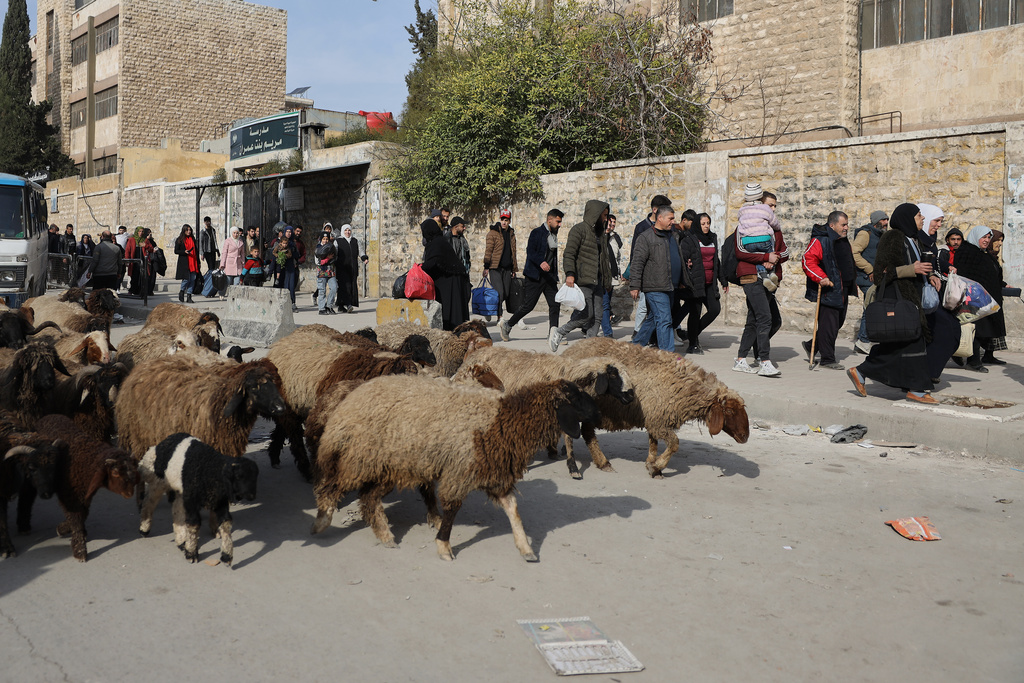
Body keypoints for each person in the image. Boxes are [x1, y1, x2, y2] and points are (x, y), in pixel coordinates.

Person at [848, 203, 940, 403]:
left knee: (902, 346)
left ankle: (862, 371)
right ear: (907, 218)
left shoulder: (914, 239)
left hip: (912, 299)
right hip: (899, 299)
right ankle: (915, 390)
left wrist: (930, 274)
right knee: (913, 342)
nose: (922, 219)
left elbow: (919, 265)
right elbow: (881, 273)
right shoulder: (893, 237)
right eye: (918, 216)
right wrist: (911, 269)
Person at [733, 190, 788, 377]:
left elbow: (785, 252)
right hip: (750, 277)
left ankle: (740, 359)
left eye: (774, 206)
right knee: (765, 317)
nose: (772, 209)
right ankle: (764, 361)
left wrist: (773, 259)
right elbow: (740, 252)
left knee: (754, 320)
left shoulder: (774, 229)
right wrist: (764, 257)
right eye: (769, 205)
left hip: (770, 279)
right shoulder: (744, 227)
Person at [548, 200, 612, 351]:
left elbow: (604, 259)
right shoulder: (579, 230)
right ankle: (560, 332)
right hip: (583, 280)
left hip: (598, 281)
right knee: (586, 314)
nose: (605, 219)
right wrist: (570, 274)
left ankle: (588, 349)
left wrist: (607, 281)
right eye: (603, 215)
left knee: (598, 316)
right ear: (595, 214)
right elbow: (569, 254)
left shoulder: (601, 233)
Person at [801, 211, 857, 370]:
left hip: (843, 288)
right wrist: (821, 278)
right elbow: (808, 260)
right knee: (829, 325)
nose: (846, 228)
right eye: (843, 225)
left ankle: (811, 344)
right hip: (828, 288)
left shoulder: (843, 240)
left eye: (847, 224)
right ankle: (827, 358)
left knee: (836, 323)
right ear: (832, 225)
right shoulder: (821, 240)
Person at [501, 209, 563, 342]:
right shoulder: (537, 233)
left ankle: (553, 334)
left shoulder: (553, 235)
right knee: (528, 305)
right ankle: (508, 325)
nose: (559, 224)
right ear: (549, 220)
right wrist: (541, 262)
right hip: (535, 276)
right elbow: (531, 251)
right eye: (558, 221)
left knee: (555, 304)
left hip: (549, 277)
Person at [629, 205, 682, 351]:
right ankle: (667, 357)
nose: (673, 221)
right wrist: (634, 285)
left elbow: (678, 258)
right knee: (665, 320)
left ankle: (634, 347)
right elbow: (637, 262)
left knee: (653, 319)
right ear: (660, 218)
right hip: (655, 286)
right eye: (670, 218)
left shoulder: (673, 235)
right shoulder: (646, 237)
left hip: (670, 285)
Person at [955, 226, 1006, 370]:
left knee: (984, 330)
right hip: (974, 299)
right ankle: (974, 360)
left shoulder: (983, 253)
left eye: (989, 237)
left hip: (987, 298)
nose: (987, 240)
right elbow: (965, 275)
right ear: (976, 236)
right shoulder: (966, 252)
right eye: (984, 237)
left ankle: (980, 357)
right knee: (976, 330)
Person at [684, 212, 728, 354]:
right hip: (696, 282)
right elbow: (684, 256)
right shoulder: (690, 239)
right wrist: (687, 265)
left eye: (708, 223)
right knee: (695, 313)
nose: (706, 226)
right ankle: (692, 344)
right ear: (698, 224)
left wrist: (723, 280)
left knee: (715, 309)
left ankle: (693, 333)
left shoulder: (712, 238)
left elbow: (717, 260)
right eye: (703, 224)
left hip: (710, 283)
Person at [631, 194, 672, 339]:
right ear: (656, 211)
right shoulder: (642, 229)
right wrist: (635, 282)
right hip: (649, 280)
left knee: (655, 315)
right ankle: (666, 353)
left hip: (664, 281)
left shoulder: (669, 230)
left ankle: (638, 343)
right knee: (647, 310)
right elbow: (636, 257)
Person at [421, 219, 471, 330]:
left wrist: (419, 268)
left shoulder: (436, 243)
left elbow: (434, 261)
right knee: (455, 310)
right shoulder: (439, 241)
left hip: (450, 280)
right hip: (453, 278)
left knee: (451, 310)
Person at [852, 209, 889, 354]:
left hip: (878, 278)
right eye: (883, 220)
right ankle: (863, 340)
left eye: (887, 219)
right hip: (867, 278)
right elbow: (854, 253)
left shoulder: (882, 235)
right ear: (876, 222)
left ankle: (866, 339)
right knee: (870, 306)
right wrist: (870, 269)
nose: (886, 222)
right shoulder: (865, 234)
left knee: (873, 306)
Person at [735, 183, 781, 290]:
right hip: (764, 240)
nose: (773, 208)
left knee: (756, 258)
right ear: (761, 196)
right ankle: (772, 272)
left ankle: (764, 277)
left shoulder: (741, 210)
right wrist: (777, 227)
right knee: (770, 250)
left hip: (747, 242)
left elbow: (740, 220)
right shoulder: (765, 208)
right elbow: (774, 223)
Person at [672, 209, 703, 344]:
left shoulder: (685, 234)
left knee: (683, 305)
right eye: (691, 223)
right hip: (677, 277)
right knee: (675, 307)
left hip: (682, 274)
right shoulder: (675, 233)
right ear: (684, 220)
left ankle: (673, 331)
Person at [483, 209, 518, 324]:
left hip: (507, 268)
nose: (504, 222)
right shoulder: (493, 233)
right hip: (495, 268)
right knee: (499, 293)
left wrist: (514, 268)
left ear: (509, 221)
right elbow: (488, 250)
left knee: (506, 293)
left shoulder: (511, 234)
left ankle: (489, 310)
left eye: (506, 220)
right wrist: (486, 266)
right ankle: (499, 316)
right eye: (502, 219)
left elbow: (514, 252)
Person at [598, 213, 623, 337]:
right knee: (605, 305)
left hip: (612, 277)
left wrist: (619, 272)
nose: (611, 225)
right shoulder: (598, 236)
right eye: (609, 222)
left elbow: (617, 257)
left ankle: (587, 327)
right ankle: (608, 333)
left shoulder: (614, 238)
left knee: (604, 305)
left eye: (613, 223)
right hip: (602, 277)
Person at [335, 224, 368, 313]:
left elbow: (360, 251)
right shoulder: (338, 241)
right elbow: (335, 253)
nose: (347, 232)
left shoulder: (355, 241)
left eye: (349, 230)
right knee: (345, 286)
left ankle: (341, 306)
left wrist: (364, 258)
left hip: (353, 268)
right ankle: (348, 304)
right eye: (345, 230)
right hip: (342, 268)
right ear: (343, 231)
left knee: (351, 286)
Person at [273, 226, 299, 311]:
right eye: (287, 231)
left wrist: (290, 253)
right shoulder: (278, 243)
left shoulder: (293, 244)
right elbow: (273, 254)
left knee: (290, 285)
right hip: (281, 267)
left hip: (290, 266)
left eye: (290, 232)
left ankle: (292, 303)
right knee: (281, 285)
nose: (289, 233)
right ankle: (281, 304)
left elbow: (297, 255)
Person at [174, 224, 201, 303]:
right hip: (185, 261)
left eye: (190, 230)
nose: (189, 232)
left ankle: (189, 296)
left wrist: (198, 262)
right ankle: (181, 291)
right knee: (186, 279)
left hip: (193, 261)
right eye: (187, 230)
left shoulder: (193, 239)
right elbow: (176, 251)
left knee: (193, 279)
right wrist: (184, 252)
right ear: (184, 231)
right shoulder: (180, 240)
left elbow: (196, 251)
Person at [124, 227, 154, 296]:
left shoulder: (145, 240)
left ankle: (141, 291)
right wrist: (127, 260)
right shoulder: (131, 240)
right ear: (137, 232)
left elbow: (151, 249)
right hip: (134, 261)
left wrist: (145, 246)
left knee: (142, 276)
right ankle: (132, 290)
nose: (141, 233)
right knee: (134, 276)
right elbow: (127, 250)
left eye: (142, 231)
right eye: (139, 231)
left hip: (143, 261)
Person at [314, 231, 338, 315]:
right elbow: (318, 262)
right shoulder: (318, 248)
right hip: (322, 272)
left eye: (327, 239)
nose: (325, 241)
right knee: (322, 290)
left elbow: (334, 257)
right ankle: (321, 308)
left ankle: (329, 306)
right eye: (323, 239)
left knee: (334, 287)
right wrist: (327, 258)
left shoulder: (331, 247)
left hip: (330, 272)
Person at [218, 226, 245, 294]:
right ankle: (223, 293)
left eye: (237, 233)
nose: (235, 235)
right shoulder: (228, 241)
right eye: (234, 233)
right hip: (229, 263)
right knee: (228, 282)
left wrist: (243, 263)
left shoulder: (240, 242)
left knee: (237, 282)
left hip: (238, 264)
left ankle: (234, 295)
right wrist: (222, 264)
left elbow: (243, 253)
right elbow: (224, 253)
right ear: (231, 233)